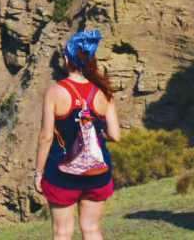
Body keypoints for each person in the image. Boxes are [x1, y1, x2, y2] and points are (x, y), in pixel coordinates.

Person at [35, 29, 121, 240]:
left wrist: (38, 172)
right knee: (91, 229)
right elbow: (115, 135)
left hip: (61, 173)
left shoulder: (55, 91)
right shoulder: (104, 91)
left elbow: (46, 136)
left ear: (67, 59)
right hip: (98, 173)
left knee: (62, 232)